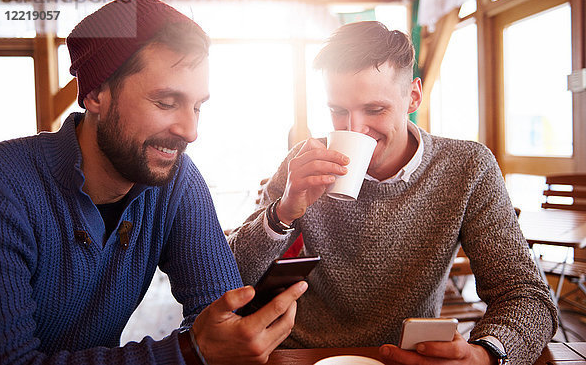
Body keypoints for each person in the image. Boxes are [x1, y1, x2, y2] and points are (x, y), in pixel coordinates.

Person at [0, 0, 307, 365]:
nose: (190, 131)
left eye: (197, 106)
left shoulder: (176, 180)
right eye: (166, 102)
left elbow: (220, 311)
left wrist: (234, 336)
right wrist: (188, 352)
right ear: (94, 94)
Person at [227, 21, 557, 364]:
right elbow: (228, 276)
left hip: (408, 357)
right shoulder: (304, 161)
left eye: (374, 109)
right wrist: (281, 213)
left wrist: (485, 355)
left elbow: (527, 295)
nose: (355, 129)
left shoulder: (467, 167)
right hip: (307, 354)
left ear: (413, 96)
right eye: (338, 111)